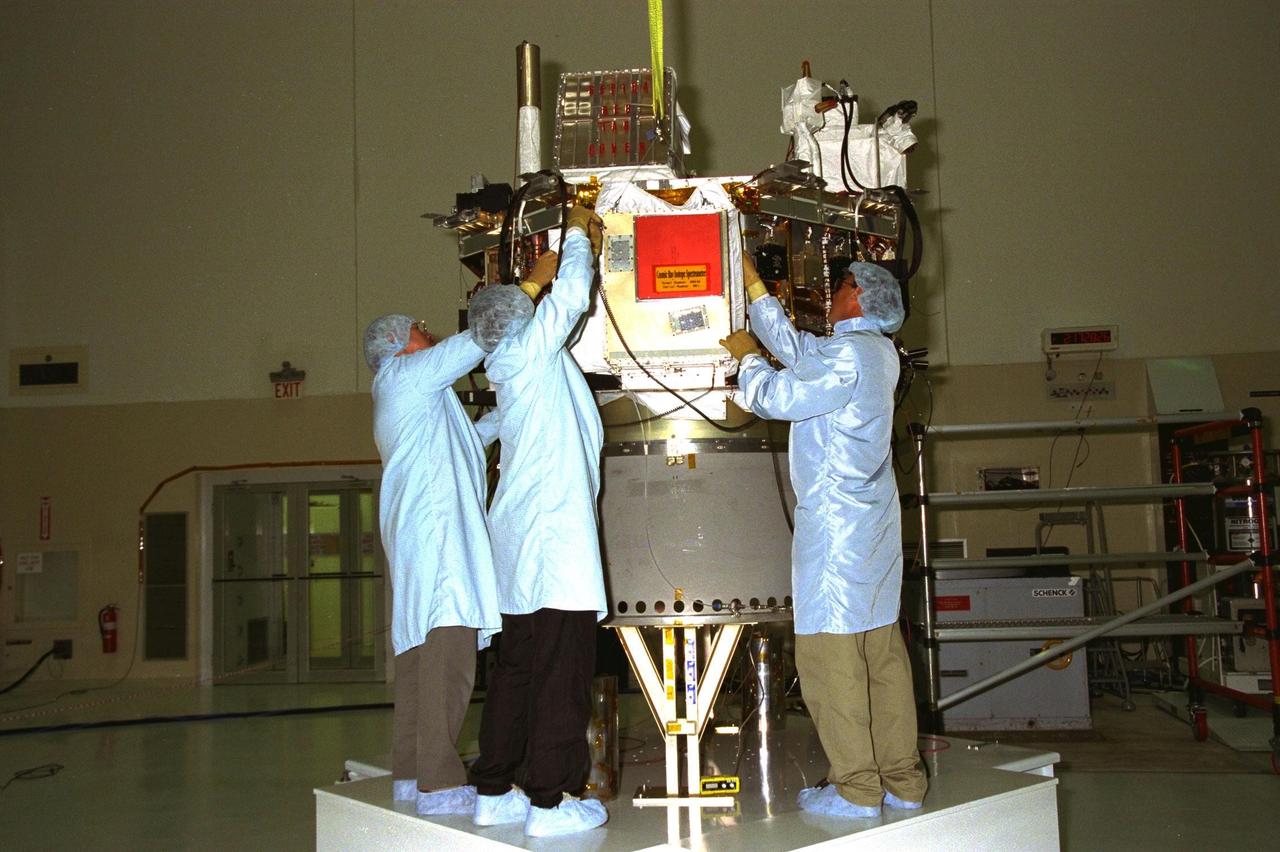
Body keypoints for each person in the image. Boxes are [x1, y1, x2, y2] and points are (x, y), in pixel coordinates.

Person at [720, 255, 927, 818]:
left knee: (832, 660)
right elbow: (802, 352)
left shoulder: (849, 355)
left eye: (838, 287)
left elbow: (779, 397)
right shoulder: (875, 352)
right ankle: (901, 780)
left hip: (838, 529)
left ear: (857, 294)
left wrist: (745, 363)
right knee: (880, 654)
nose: (830, 295)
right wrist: (756, 291)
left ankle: (856, 789)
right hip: (873, 526)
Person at [464, 205, 610, 838]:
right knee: (560, 676)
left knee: (518, 671)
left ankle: (496, 787)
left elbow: (536, 312)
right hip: (553, 547)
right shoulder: (529, 354)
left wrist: (529, 281)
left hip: (520, 548)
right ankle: (551, 800)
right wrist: (576, 231)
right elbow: (574, 295)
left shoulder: (510, 366)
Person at [363, 314, 501, 816]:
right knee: (450, 668)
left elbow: (467, 442)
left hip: (423, 546)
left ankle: (409, 775)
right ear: (399, 346)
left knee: (420, 666)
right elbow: (476, 341)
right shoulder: (407, 375)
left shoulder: (410, 394)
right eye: (418, 328)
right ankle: (440, 784)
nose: (428, 330)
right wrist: (526, 294)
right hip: (440, 546)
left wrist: (513, 409)